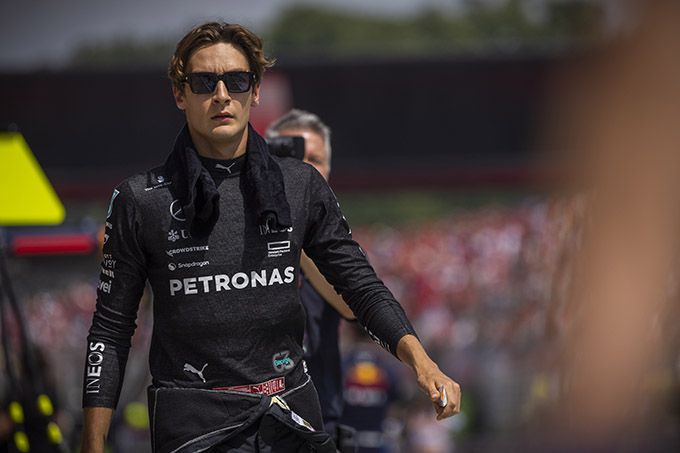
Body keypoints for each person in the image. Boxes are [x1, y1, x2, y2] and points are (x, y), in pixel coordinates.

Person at [81, 21, 461, 453]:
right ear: (180, 94)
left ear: (255, 91)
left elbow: (360, 284)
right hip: (196, 429)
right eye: (204, 82)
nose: (221, 95)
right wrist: (92, 444)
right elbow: (110, 331)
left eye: (236, 81)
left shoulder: (299, 185)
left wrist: (423, 363)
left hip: (290, 417)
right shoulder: (139, 200)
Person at [266, 109, 357, 447]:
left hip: (319, 421)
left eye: (315, 160)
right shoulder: (240, 235)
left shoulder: (338, 242)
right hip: (253, 422)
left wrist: (298, 233)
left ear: (329, 170)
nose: (304, 170)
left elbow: (354, 304)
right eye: (294, 157)